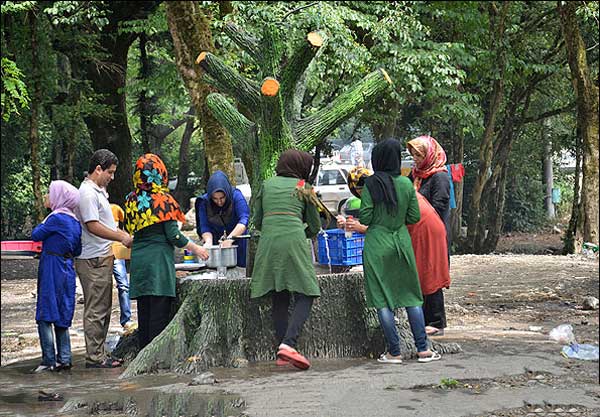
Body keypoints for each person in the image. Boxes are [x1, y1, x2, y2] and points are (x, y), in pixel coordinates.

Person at [339, 167, 452, 338]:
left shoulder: (383, 191)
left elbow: (384, 225)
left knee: (427, 272)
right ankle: (421, 331)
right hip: (416, 226)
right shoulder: (387, 186)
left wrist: (361, 228)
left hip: (423, 228)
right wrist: (354, 224)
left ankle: (433, 324)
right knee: (418, 273)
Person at [360, 139, 440, 364]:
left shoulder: (371, 184)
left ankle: (394, 352)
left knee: (382, 300)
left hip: (377, 244)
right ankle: (423, 350)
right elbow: (414, 217)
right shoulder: (406, 184)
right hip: (401, 243)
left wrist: (378, 218)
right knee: (411, 296)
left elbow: (365, 217)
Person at [125, 153, 209, 350]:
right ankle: (155, 357)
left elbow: (131, 230)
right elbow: (174, 236)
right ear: (160, 173)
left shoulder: (131, 200)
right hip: (158, 263)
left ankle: (142, 353)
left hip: (139, 262)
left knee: (144, 312)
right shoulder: (164, 201)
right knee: (159, 314)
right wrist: (197, 248)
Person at [250, 149, 322, 370]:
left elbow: (257, 220)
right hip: (293, 240)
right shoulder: (303, 188)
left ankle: (282, 350)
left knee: (279, 294)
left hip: (268, 243)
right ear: (300, 167)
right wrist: (302, 233)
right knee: (307, 292)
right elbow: (315, 225)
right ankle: (289, 343)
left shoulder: (267, 185)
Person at [75, 149, 133, 368]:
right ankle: (95, 357)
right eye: (109, 172)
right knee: (96, 309)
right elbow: (92, 225)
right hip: (93, 258)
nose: (112, 177)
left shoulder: (97, 191)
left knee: (103, 307)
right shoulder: (88, 193)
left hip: (102, 255)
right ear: (97, 169)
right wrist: (121, 236)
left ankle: (98, 352)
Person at [31, 180, 82, 373]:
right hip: (68, 267)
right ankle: (65, 358)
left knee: (45, 312)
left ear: (59, 197)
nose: (47, 196)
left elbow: (35, 235)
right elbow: (77, 249)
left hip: (52, 266)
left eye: (50, 193)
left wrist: (45, 222)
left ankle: (48, 360)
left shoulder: (55, 219)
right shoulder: (75, 222)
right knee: (63, 310)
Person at [406, 135, 451, 336]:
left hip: (432, 233)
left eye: (419, 154)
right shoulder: (414, 175)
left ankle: (436, 321)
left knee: (431, 273)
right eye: (413, 154)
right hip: (416, 233)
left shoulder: (439, 176)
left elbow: (439, 206)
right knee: (418, 273)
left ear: (429, 155)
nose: (415, 158)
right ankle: (421, 319)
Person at [195, 170, 250, 267]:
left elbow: (244, 220)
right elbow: (204, 226)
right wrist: (208, 242)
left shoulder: (236, 196)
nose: (219, 202)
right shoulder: (204, 202)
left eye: (222, 198)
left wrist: (230, 239)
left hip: (238, 239)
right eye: (215, 199)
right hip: (217, 241)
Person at [110, 204, 136, 333]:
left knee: (123, 285)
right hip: (101, 252)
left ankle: (126, 319)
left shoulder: (116, 208)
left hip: (116, 252)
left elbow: (125, 224)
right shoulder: (92, 209)